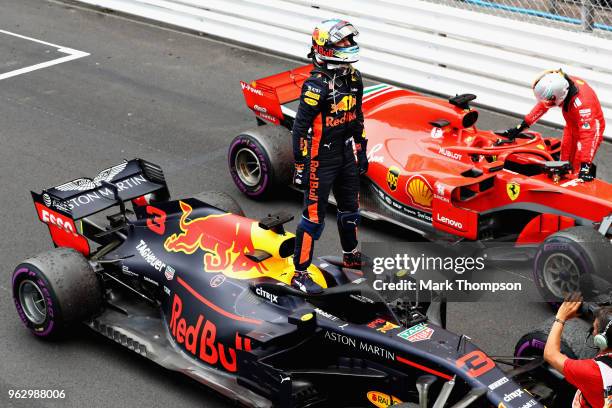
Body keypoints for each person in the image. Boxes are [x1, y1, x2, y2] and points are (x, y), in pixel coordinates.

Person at [290, 19, 368, 293]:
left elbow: (357, 116)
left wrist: (361, 148)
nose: (349, 45)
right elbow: (299, 128)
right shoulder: (316, 85)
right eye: (342, 42)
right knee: (313, 218)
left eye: (349, 41)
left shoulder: (354, 77)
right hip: (320, 159)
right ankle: (299, 273)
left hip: (346, 153)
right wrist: (300, 165)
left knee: (350, 211)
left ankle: (351, 256)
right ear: (326, 47)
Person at [500, 69, 605, 181]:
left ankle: (577, 182)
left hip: (591, 127)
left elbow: (589, 135)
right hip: (572, 124)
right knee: (563, 161)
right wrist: (520, 127)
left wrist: (585, 167)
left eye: (550, 100)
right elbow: (543, 106)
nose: (547, 102)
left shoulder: (583, 105)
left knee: (578, 167)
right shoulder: (559, 86)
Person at [544, 298, 612, 408]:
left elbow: (550, 354)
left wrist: (560, 317)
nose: (592, 330)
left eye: (594, 328)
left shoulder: (594, 372)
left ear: (601, 340)